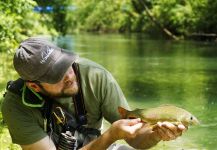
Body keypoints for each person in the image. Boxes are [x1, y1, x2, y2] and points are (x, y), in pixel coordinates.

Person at [1, 37, 186, 150]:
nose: (69, 75)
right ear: (34, 87)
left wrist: (156, 134)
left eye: (66, 64)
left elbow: (136, 139)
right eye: (57, 75)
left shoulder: (95, 76)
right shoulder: (15, 105)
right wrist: (110, 136)